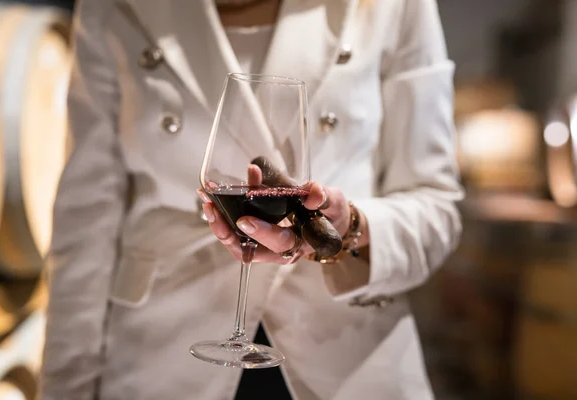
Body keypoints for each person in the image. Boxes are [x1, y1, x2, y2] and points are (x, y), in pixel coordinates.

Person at [40, 0, 463, 399]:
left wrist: (350, 225)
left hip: (348, 357)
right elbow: (84, 224)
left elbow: (437, 207)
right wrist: (65, 387)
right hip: (163, 354)